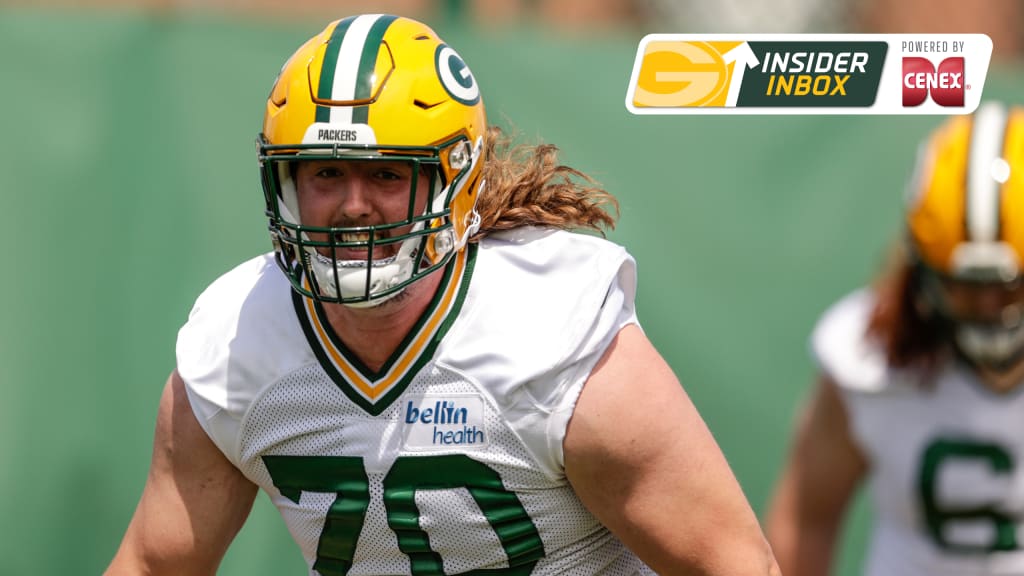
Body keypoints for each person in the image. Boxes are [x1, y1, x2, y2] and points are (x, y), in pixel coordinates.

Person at [104, 13, 779, 576]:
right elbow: (154, 563)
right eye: (326, 173)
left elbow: (734, 565)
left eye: (388, 175)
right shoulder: (237, 342)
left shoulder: (550, 333)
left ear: (454, 184)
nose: (352, 205)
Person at [767, 101, 1024, 576]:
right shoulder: (869, 355)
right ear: (920, 268)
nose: (991, 308)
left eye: (1011, 286)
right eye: (967, 286)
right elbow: (805, 522)